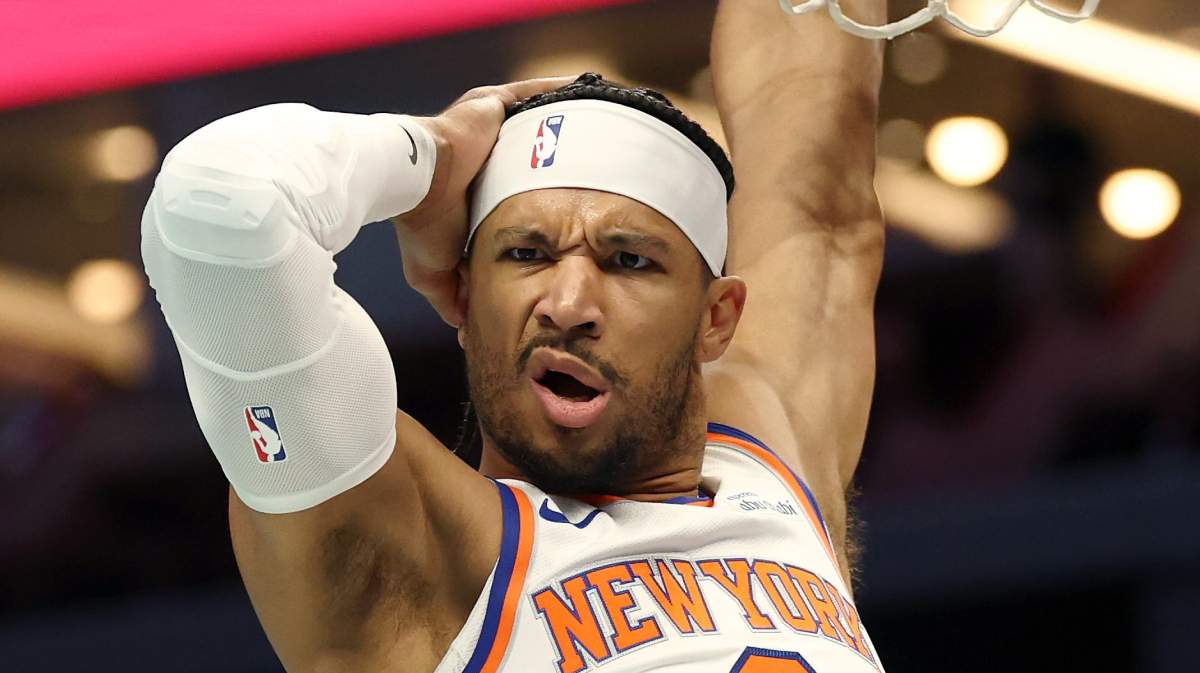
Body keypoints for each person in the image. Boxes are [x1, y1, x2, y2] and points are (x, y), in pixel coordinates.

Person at [140, 0, 886, 670]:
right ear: (464, 295)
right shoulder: (415, 552)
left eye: (628, 261)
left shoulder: (772, 443)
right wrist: (430, 159)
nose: (567, 303)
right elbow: (219, 205)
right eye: (527, 254)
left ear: (716, 319)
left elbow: (817, 199)